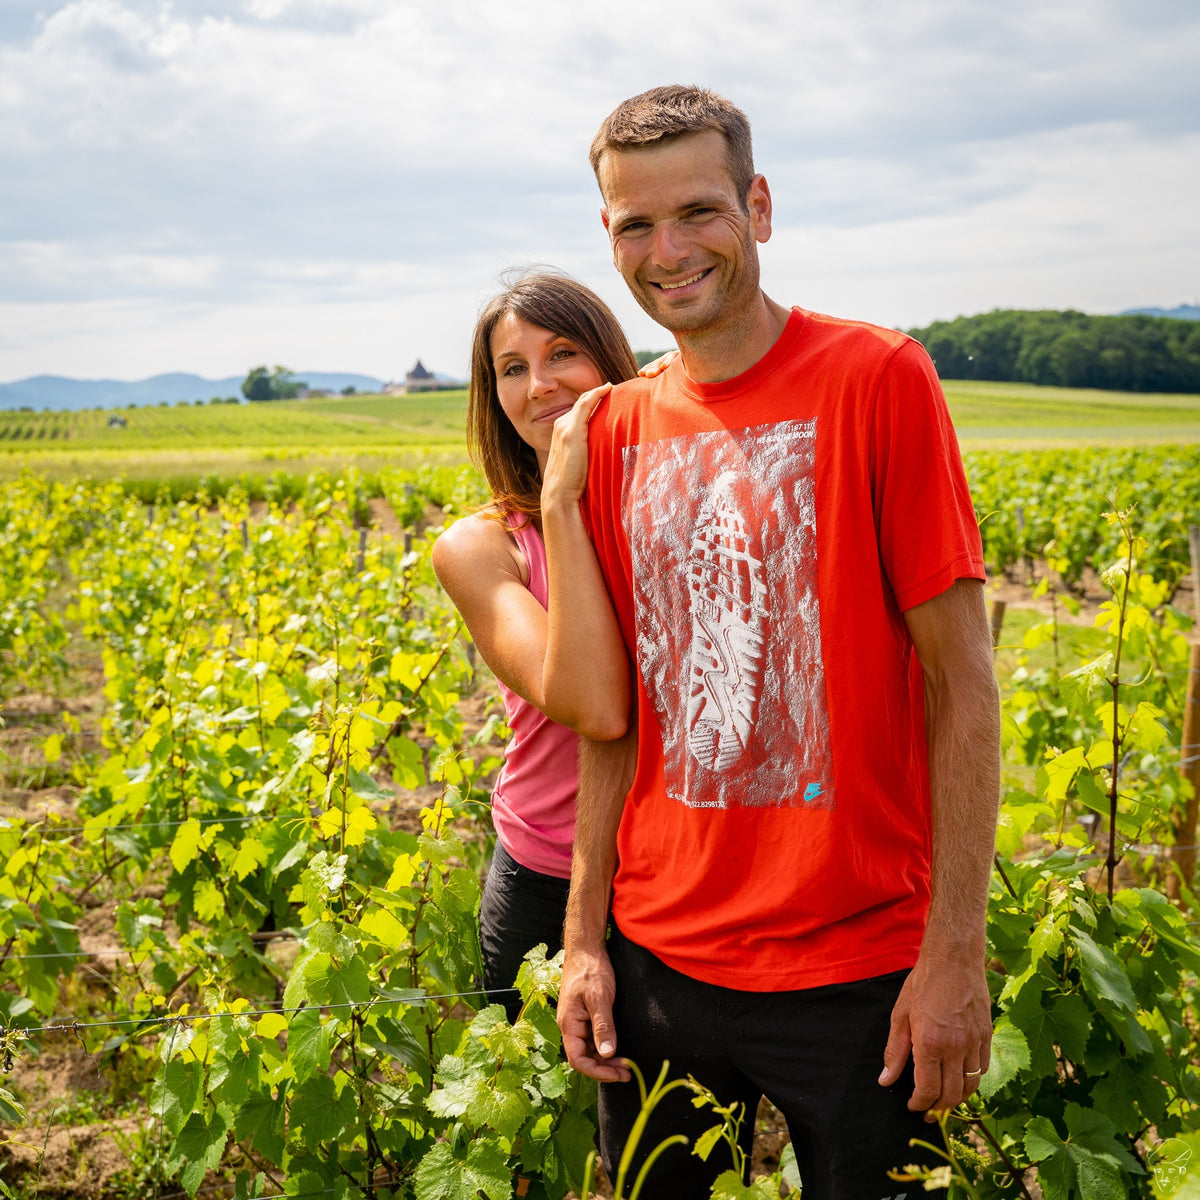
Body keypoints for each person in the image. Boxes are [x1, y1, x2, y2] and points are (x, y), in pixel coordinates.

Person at [548, 86, 1001, 1198]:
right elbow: (619, 717)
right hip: (657, 964)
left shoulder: (879, 378)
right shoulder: (616, 426)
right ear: (608, 234)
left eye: (699, 211)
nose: (669, 251)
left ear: (758, 206)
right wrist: (585, 939)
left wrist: (954, 950)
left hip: (858, 977)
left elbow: (963, 685)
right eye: (636, 224)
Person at [431, 271, 637, 1023]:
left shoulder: (675, 508)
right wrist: (560, 498)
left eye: (563, 353)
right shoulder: (480, 548)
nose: (540, 384)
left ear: (609, 361)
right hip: (546, 877)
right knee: (537, 1087)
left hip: (682, 875)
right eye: (512, 368)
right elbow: (594, 708)